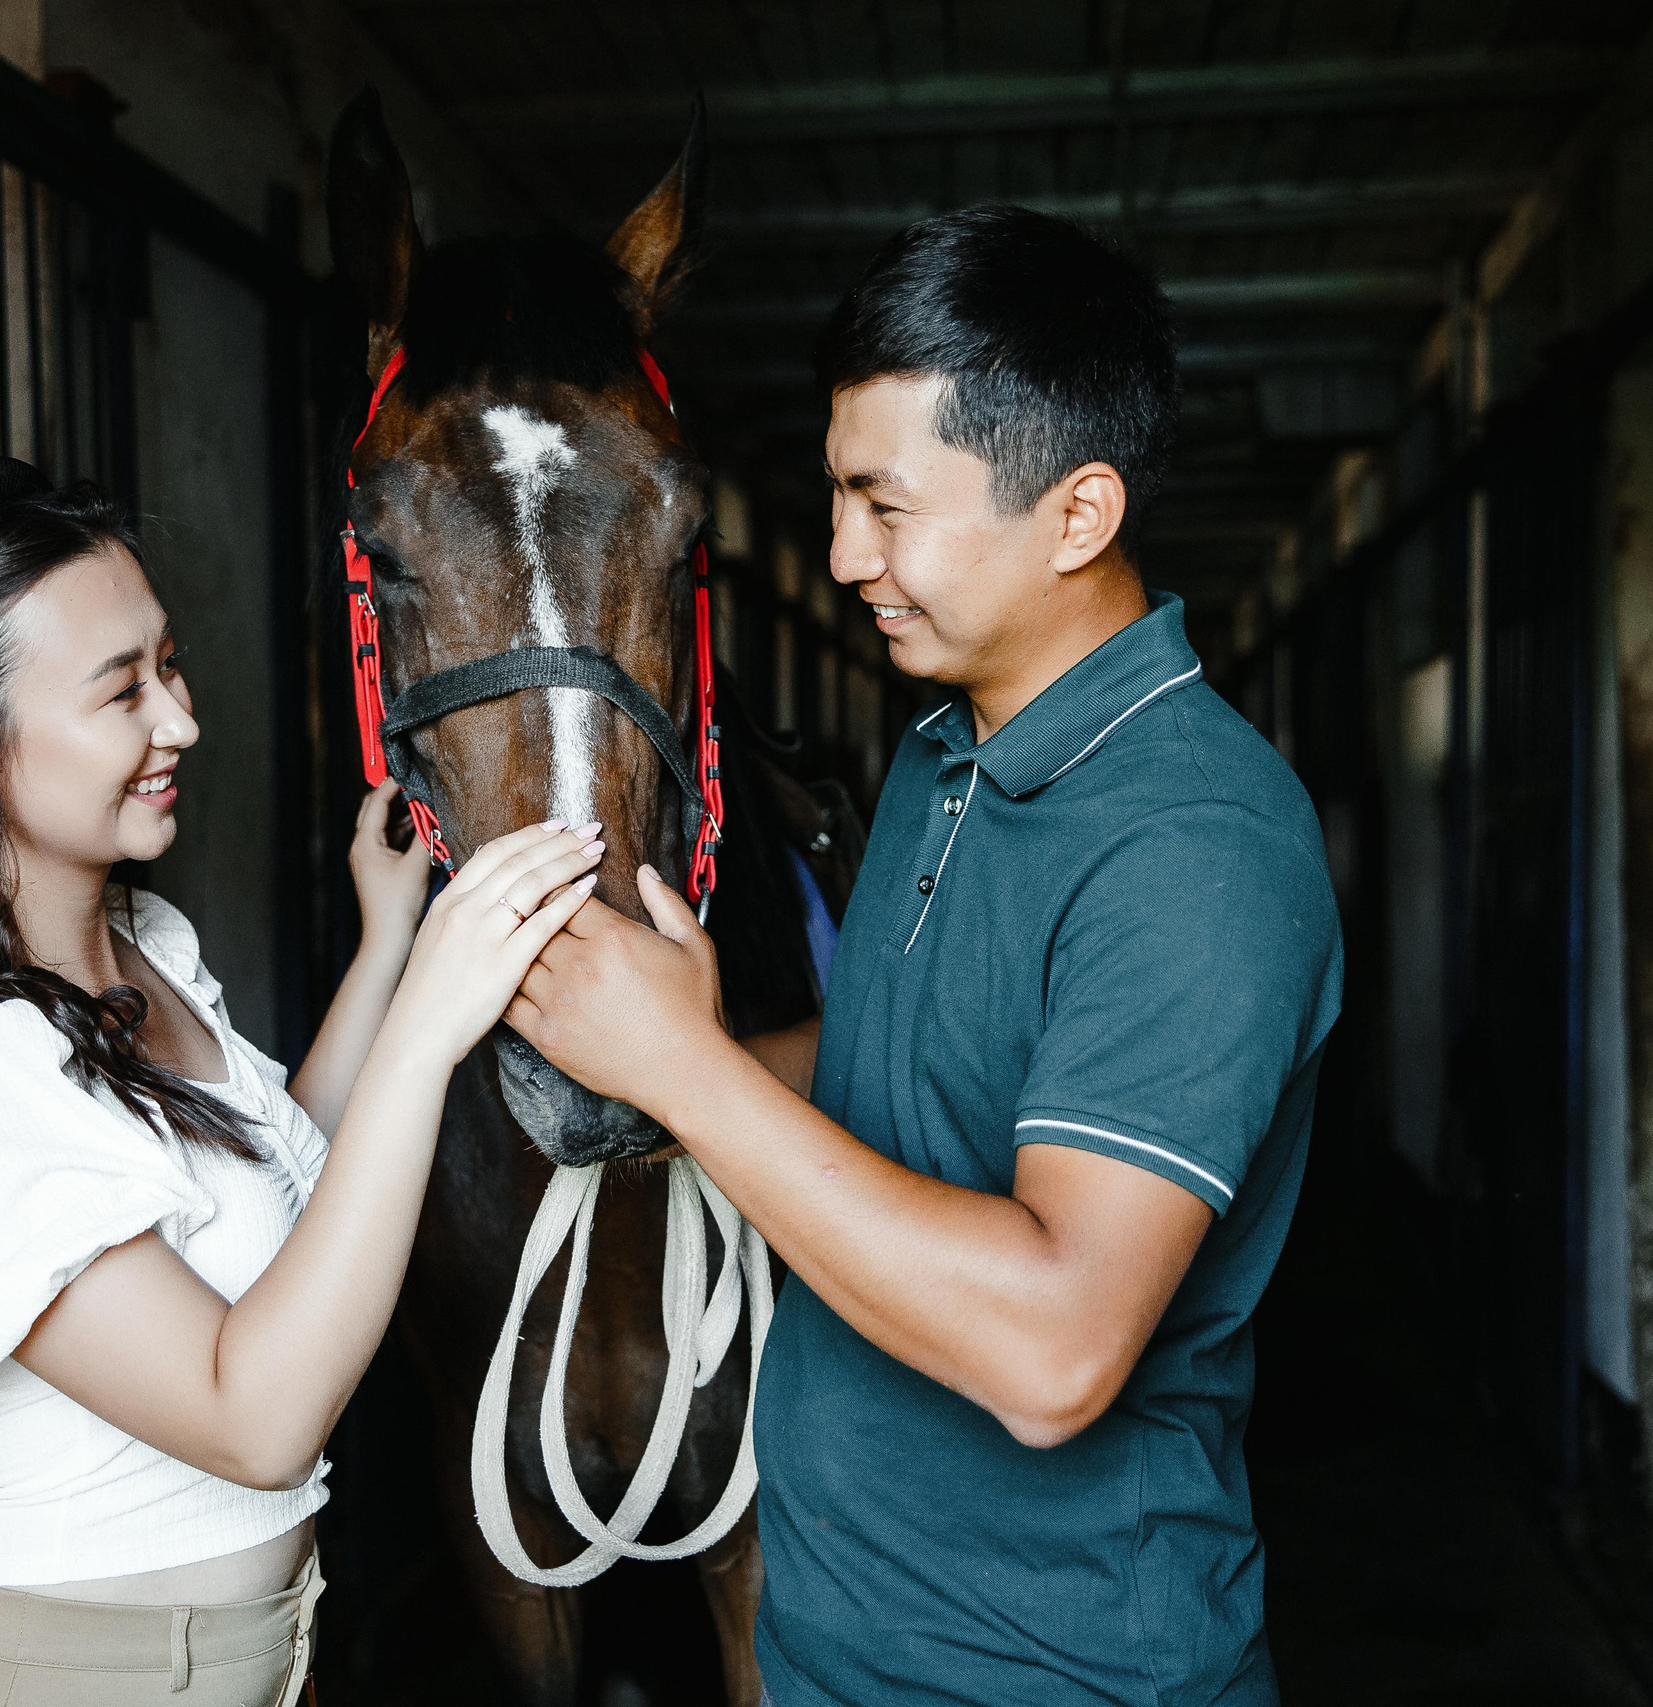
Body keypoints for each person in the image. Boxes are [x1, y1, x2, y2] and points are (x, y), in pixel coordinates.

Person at [505, 208, 1344, 1705]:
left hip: (1055, 1671)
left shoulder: (1199, 846)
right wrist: (647, 1060)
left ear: (1077, 515)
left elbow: (1055, 1347)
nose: (841, 556)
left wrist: (687, 1074)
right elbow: (900, 1062)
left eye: (885, 507)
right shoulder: (946, 752)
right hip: (835, 1643)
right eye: (837, 498)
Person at [0, 457, 604, 1706]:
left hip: (254, 1662)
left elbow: (288, 1198)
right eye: (122, 693)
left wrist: (387, 947)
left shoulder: (149, 950)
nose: (180, 720)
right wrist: (432, 1021)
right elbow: (254, 1417)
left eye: (167, 665)